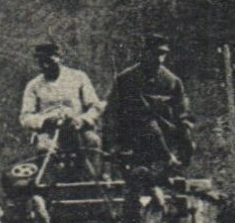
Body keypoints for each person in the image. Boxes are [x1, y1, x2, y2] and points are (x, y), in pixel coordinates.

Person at [103, 33, 192, 172]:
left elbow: (181, 111)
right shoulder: (127, 78)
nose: (159, 59)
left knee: (186, 142)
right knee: (147, 126)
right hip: (133, 134)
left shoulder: (172, 81)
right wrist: (111, 143)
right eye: (155, 53)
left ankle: (171, 170)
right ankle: (164, 161)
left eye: (163, 54)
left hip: (165, 131)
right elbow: (112, 112)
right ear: (145, 53)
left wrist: (185, 132)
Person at [20, 42, 103, 179]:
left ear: (60, 58)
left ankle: (94, 182)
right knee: (45, 150)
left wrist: (83, 120)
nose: (45, 65)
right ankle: (50, 190)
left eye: (49, 61)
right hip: (49, 132)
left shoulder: (78, 77)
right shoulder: (33, 85)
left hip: (77, 128)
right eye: (41, 62)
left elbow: (95, 106)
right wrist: (44, 121)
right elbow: (25, 116)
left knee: (93, 142)